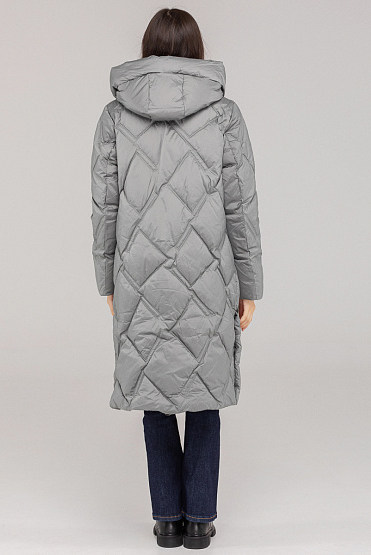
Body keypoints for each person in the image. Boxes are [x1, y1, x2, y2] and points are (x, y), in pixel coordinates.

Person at [90, 7, 264, 550]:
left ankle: (167, 520)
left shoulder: (114, 117)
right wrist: (251, 285)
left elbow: (104, 208)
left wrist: (107, 280)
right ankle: (201, 521)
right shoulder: (225, 115)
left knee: (154, 390)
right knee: (205, 394)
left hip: (139, 275)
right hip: (208, 274)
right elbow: (241, 208)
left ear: (147, 48)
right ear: (197, 50)